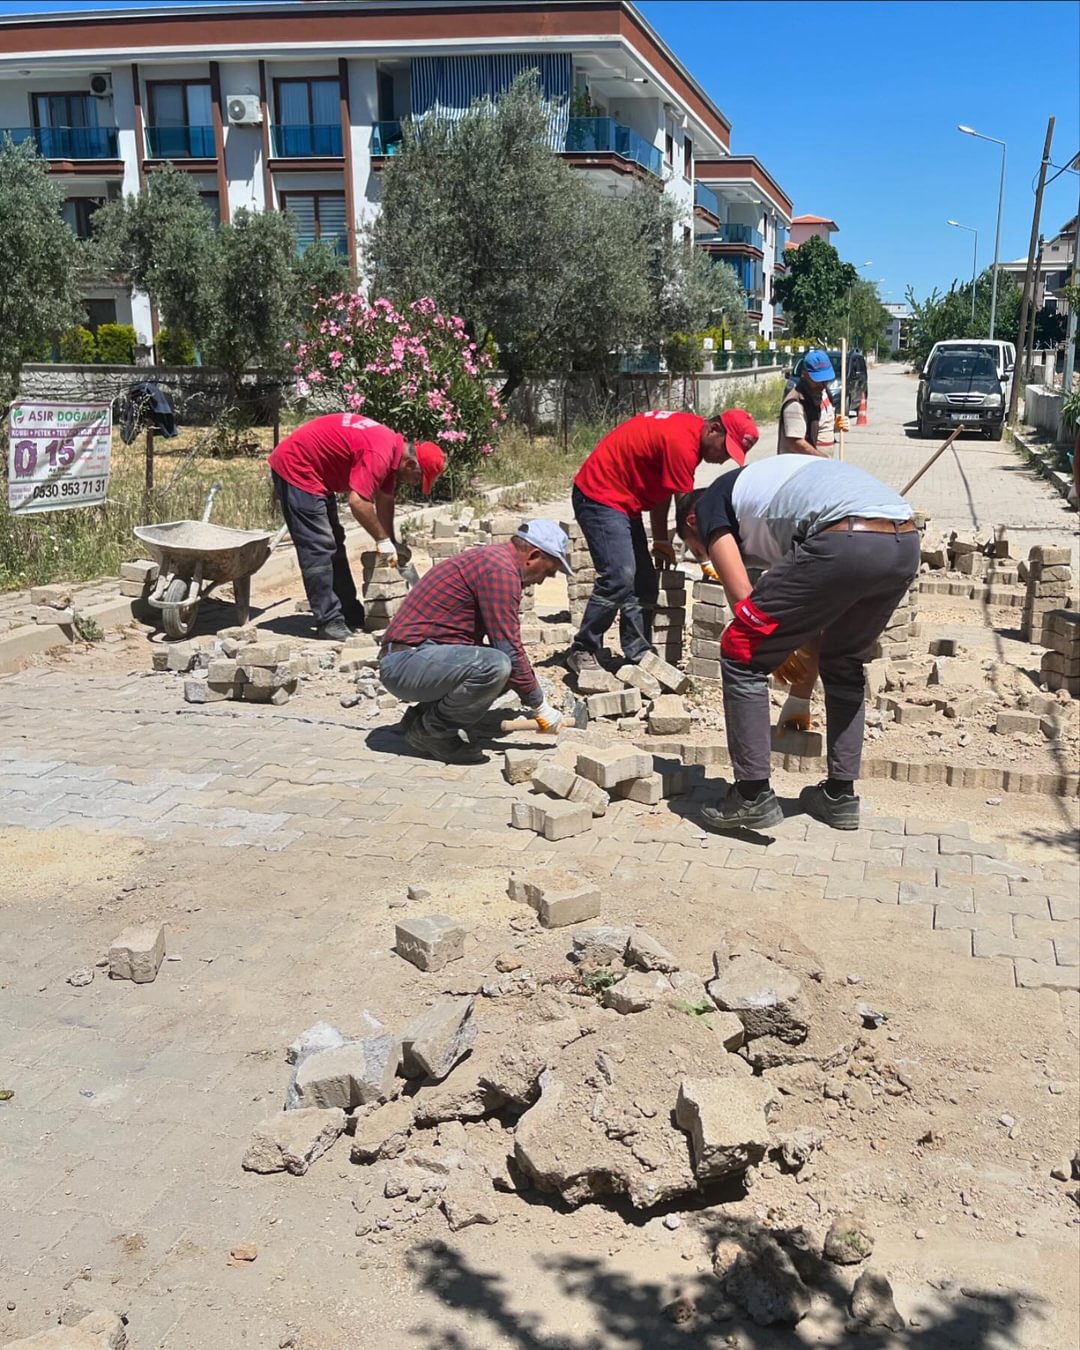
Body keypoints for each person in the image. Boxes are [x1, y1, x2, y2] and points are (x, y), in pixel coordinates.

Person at [675, 455, 919, 832]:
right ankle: (840, 797)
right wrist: (798, 696)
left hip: (844, 539)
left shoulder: (709, 505)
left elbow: (742, 600)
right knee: (843, 661)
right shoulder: (766, 500)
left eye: (699, 549)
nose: (707, 557)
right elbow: (814, 613)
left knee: (740, 651)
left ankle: (752, 795)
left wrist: (767, 648)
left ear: (693, 523)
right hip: (902, 543)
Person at [566, 408, 759, 675]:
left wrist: (660, 540)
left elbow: (662, 492)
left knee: (644, 580)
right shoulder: (683, 445)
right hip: (599, 496)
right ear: (713, 429)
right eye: (725, 449)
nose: (723, 457)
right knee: (619, 576)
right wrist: (705, 556)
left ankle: (637, 650)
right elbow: (687, 514)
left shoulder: (689, 433)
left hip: (623, 502)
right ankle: (583, 649)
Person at [379, 520, 571, 764]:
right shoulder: (500, 571)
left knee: (501, 666)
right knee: (497, 665)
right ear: (533, 556)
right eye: (548, 570)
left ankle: (420, 718)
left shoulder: (494, 561)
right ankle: (432, 733)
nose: (542, 580)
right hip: (405, 663)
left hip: (415, 658)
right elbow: (509, 648)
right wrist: (540, 706)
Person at [268, 413, 445, 640]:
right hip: (297, 467)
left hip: (318, 473)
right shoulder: (380, 453)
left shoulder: (393, 456)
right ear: (410, 464)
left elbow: (384, 500)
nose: (415, 485)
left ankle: (348, 611)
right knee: (319, 545)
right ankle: (328, 621)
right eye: (417, 480)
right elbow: (358, 503)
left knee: (334, 540)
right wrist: (382, 540)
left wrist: (390, 544)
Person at [778, 350, 848, 456]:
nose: (823, 384)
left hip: (821, 464)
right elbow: (795, 443)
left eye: (826, 379)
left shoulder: (824, 393)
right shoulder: (795, 404)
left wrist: (836, 425)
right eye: (818, 380)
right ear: (805, 374)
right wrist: (820, 459)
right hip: (804, 465)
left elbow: (821, 425)